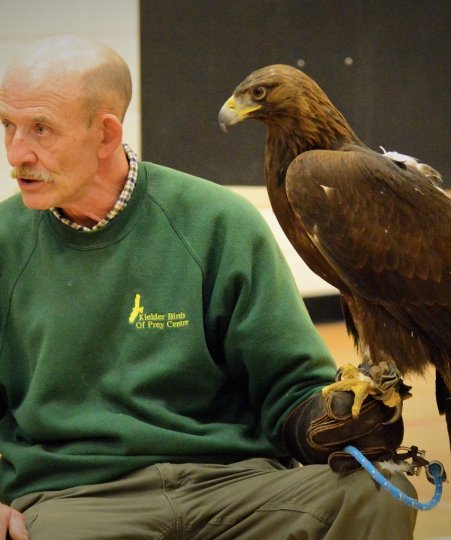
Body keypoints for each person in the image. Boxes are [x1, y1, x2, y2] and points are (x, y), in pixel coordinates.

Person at [0, 35, 417, 540]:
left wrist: (330, 424)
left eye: (40, 129)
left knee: (379, 491)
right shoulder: (6, 242)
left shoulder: (219, 222)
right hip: (79, 497)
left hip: (231, 484)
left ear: (106, 134)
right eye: (8, 127)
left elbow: (290, 388)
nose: (16, 153)